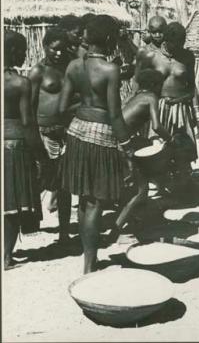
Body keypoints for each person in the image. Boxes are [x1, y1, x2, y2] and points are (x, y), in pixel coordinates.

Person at [59, 15, 131, 274]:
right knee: (96, 203)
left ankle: (89, 261)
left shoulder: (73, 66)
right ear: (110, 40)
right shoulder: (110, 70)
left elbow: (62, 106)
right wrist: (128, 146)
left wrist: (85, 109)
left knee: (84, 200)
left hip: (76, 133)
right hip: (101, 137)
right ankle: (89, 265)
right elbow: (114, 114)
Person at [4, 30, 48, 269]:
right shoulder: (20, 83)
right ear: (11, 51)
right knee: (11, 204)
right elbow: (28, 122)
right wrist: (41, 156)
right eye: (22, 51)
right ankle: (6, 257)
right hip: (14, 146)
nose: (25, 55)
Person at [28, 28, 73, 243]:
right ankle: (24, 222)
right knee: (39, 180)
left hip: (65, 132)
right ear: (45, 46)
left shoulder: (69, 69)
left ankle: (64, 232)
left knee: (64, 185)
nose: (58, 54)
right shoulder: (38, 72)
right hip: (43, 133)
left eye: (62, 49)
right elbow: (29, 106)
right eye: (54, 49)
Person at [115, 68, 172, 230]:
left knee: (133, 184)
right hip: (121, 145)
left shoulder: (135, 97)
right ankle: (117, 229)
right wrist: (170, 139)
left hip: (113, 141)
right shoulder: (151, 97)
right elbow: (156, 126)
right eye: (161, 85)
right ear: (155, 85)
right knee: (140, 191)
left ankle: (134, 218)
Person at [155, 22, 199, 193]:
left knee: (183, 150)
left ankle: (183, 185)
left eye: (183, 43)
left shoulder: (187, 57)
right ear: (166, 40)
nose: (181, 47)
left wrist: (197, 115)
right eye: (177, 43)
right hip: (159, 109)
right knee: (159, 150)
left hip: (181, 109)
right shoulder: (153, 57)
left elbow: (192, 86)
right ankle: (161, 186)